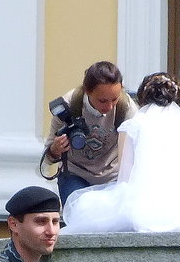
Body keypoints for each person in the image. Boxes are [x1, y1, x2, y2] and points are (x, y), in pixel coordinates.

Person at [62, 72, 180, 233]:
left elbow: (125, 178)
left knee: (85, 207)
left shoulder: (132, 127)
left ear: (143, 98)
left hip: (144, 208)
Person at [44, 60, 137, 204]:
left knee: (110, 224)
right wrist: (56, 149)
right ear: (87, 91)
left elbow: (138, 149)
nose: (110, 106)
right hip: (75, 174)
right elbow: (48, 158)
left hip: (112, 177)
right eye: (103, 100)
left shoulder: (126, 107)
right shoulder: (67, 106)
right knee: (79, 219)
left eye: (114, 99)